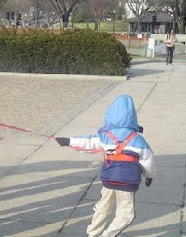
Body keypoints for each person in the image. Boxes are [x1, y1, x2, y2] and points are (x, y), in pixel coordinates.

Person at [56, 95, 155, 237]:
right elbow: (148, 160)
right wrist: (149, 176)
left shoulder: (105, 136)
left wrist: (68, 141)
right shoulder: (138, 140)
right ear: (132, 117)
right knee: (126, 215)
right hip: (127, 182)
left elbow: (88, 142)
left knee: (103, 207)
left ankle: (92, 233)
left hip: (108, 179)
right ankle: (108, 235)